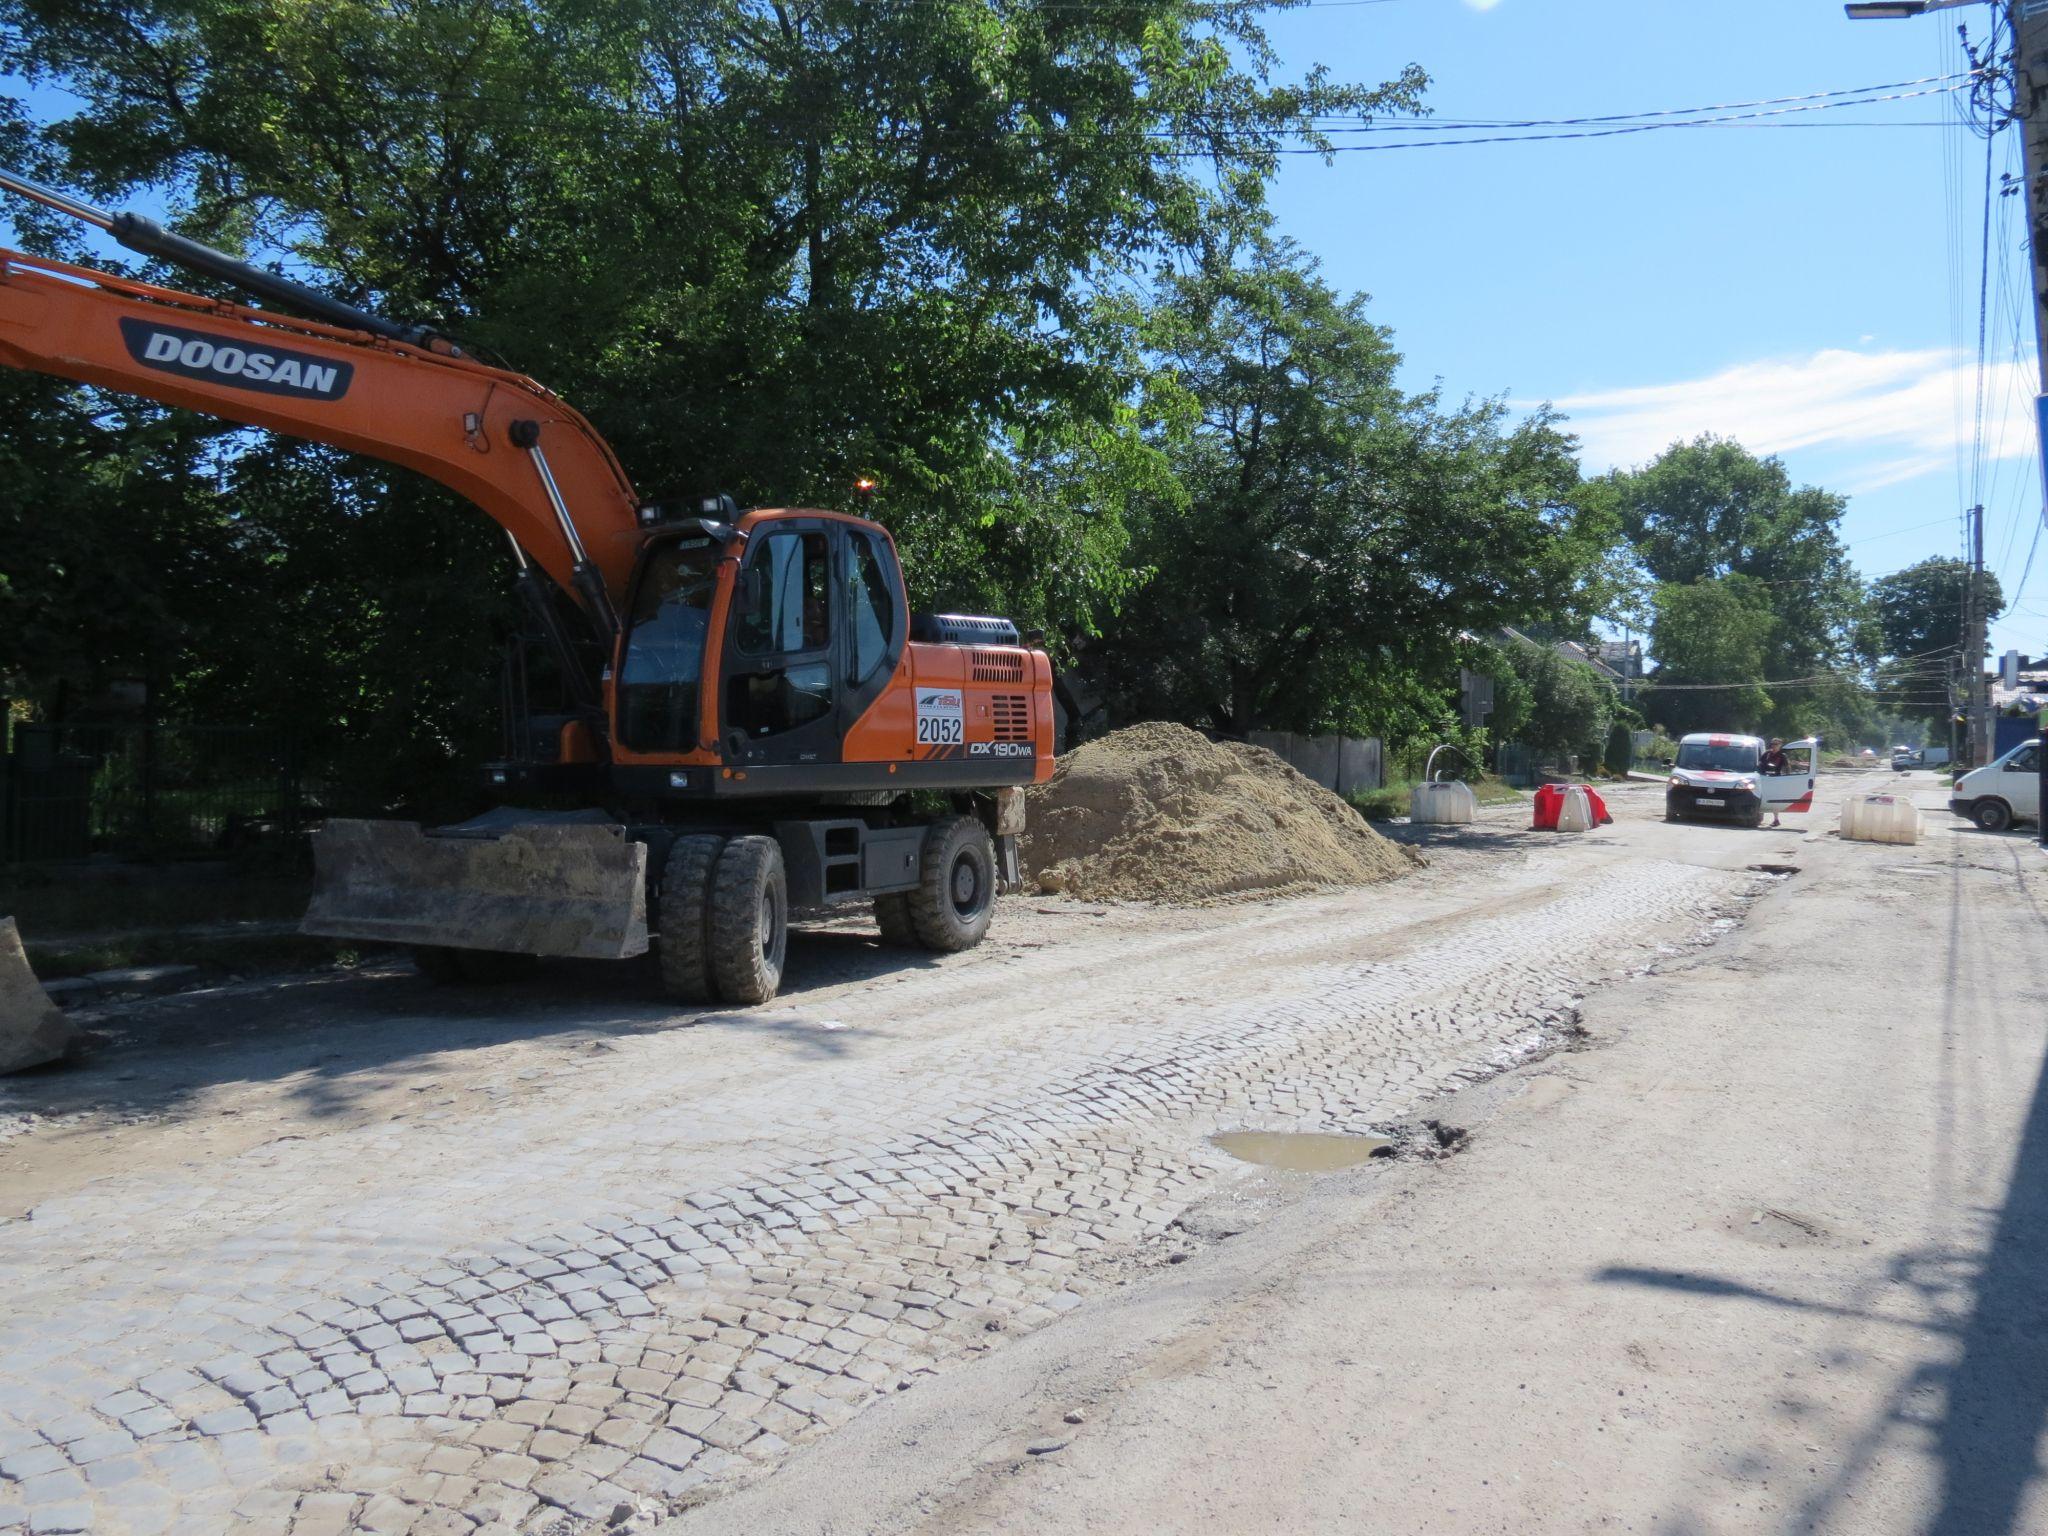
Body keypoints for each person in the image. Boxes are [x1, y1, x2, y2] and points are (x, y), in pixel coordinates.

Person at [1758, 737, 1790, 827]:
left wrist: (1787, 778)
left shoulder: (1782, 756)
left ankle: (1776, 820)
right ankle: (1759, 818)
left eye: (1776, 744)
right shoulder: (1767, 753)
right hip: (1765, 778)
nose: (1774, 746)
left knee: (1774, 800)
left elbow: (1787, 768)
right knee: (1761, 798)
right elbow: (1759, 763)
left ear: (1780, 745)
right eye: (1773, 744)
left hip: (1776, 779)